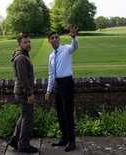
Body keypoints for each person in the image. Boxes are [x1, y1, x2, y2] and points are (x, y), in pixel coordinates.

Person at [45, 24, 79, 152]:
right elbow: (51, 74)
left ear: (59, 39)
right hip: (57, 85)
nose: (54, 39)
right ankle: (64, 138)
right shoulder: (51, 56)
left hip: (67, 83)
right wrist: (49, 90)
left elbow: (75, 47)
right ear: (49, 41)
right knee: (60, 113)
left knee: (68, 112)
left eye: (56, 37)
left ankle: (71, 141)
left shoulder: (66, 49)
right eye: (52, 38)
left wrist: (74, 38)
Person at [8, 34, 38, 153]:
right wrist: (29, 94)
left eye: (29, 42)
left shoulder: (23, 55)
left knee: (24, 116)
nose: (28, 44)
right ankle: (24, 145)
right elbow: (23, 79)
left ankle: (14, 140)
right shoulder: (21, 58)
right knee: (28, 119)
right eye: (25, 42)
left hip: (22, 92)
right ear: (19, 44)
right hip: (23, 93)